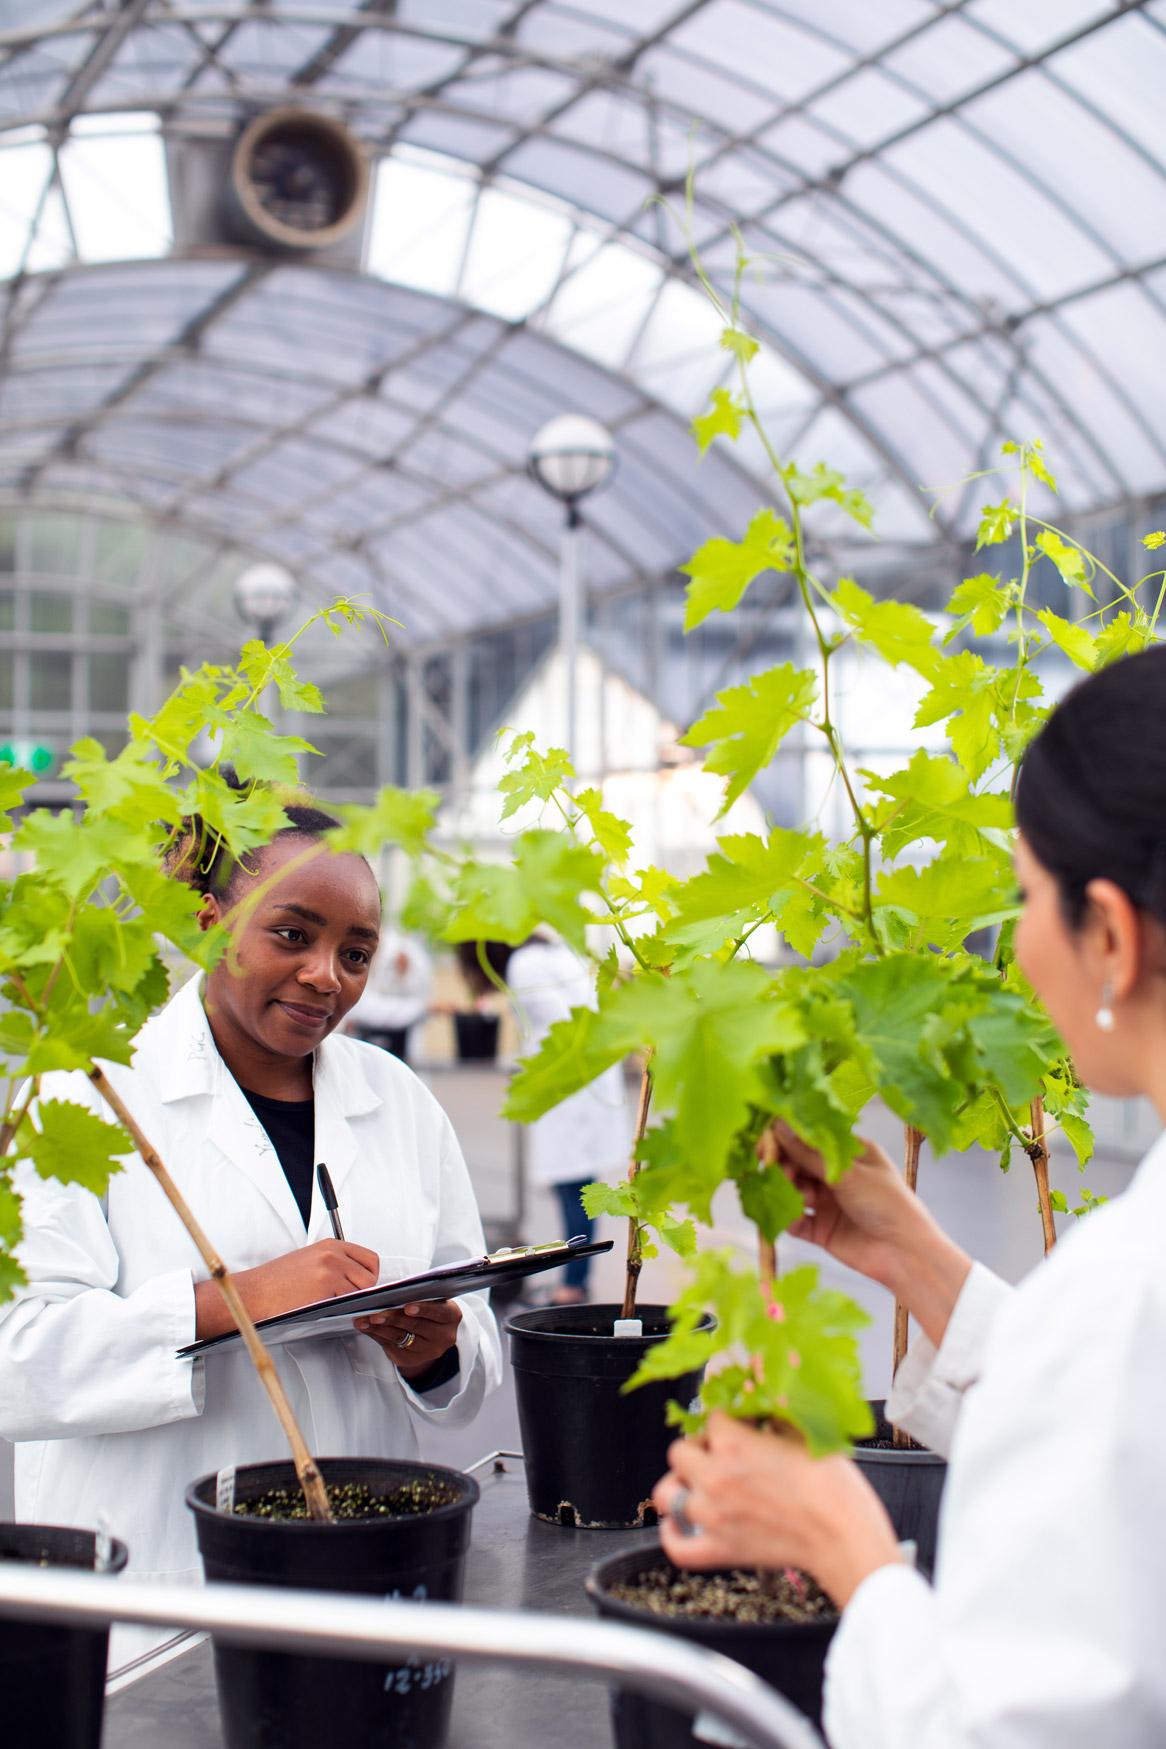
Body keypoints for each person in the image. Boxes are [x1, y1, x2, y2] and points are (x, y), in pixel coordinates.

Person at [654, 645, 1166, 1747]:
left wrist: (847, 1547)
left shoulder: (1126, 1291)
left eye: (1026, 897)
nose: (1016, 950)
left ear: (1111, 937)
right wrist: (915, 1261)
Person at [0, 799, 502, 1666]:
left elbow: (470, 1338)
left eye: (355, 953)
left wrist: (435, 1350)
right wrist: (237, 1301)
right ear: (208, 922)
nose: (325, 976)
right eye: (292, 935)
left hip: (364, 1561)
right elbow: (19, 1359)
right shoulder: (91, 1091)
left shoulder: (400, 1102)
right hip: (164, 1592)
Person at [458, 937, 629, 1303]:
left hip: (570, 1086)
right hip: (581, 1083)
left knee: (574, 1186)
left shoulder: (526, 965)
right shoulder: (548, 953)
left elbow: (560, 1029)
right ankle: (576, 1278)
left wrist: (531, 1073)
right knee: (576, 1183)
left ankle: (574, 1284)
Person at [345, 925, 433, 1063]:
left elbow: (419, 991)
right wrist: (424, 1008)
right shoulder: (350, 965)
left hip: (400, 1049)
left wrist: (404, 976)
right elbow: (366, 1009)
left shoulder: (404, 953)